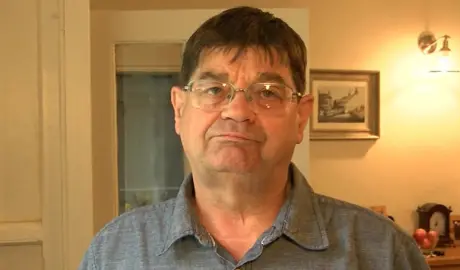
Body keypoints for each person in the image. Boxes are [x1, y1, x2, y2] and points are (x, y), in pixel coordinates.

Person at [79, 6, 429, 270]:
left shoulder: (383, 252)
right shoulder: (114, 251)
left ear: (301, 116)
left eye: (267, 92)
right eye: (214, 89)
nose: (237, 111)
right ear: (179, 109)